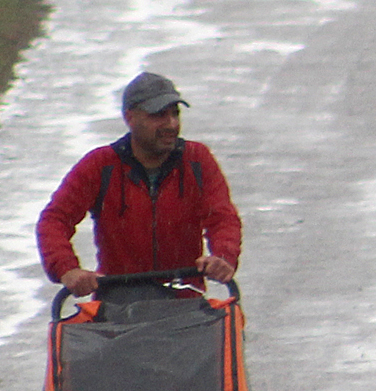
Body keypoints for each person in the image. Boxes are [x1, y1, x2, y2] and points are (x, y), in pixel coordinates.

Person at [38, 72, 242, 299]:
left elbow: (223, 218)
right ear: (130, 117)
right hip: (117, 306)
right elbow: (54, 220)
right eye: (159, 115)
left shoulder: (197, 160)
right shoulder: (100, 165)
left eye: (175, 114)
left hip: (187, 304)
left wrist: (222, 257)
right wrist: (67, 269)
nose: (171, 124)